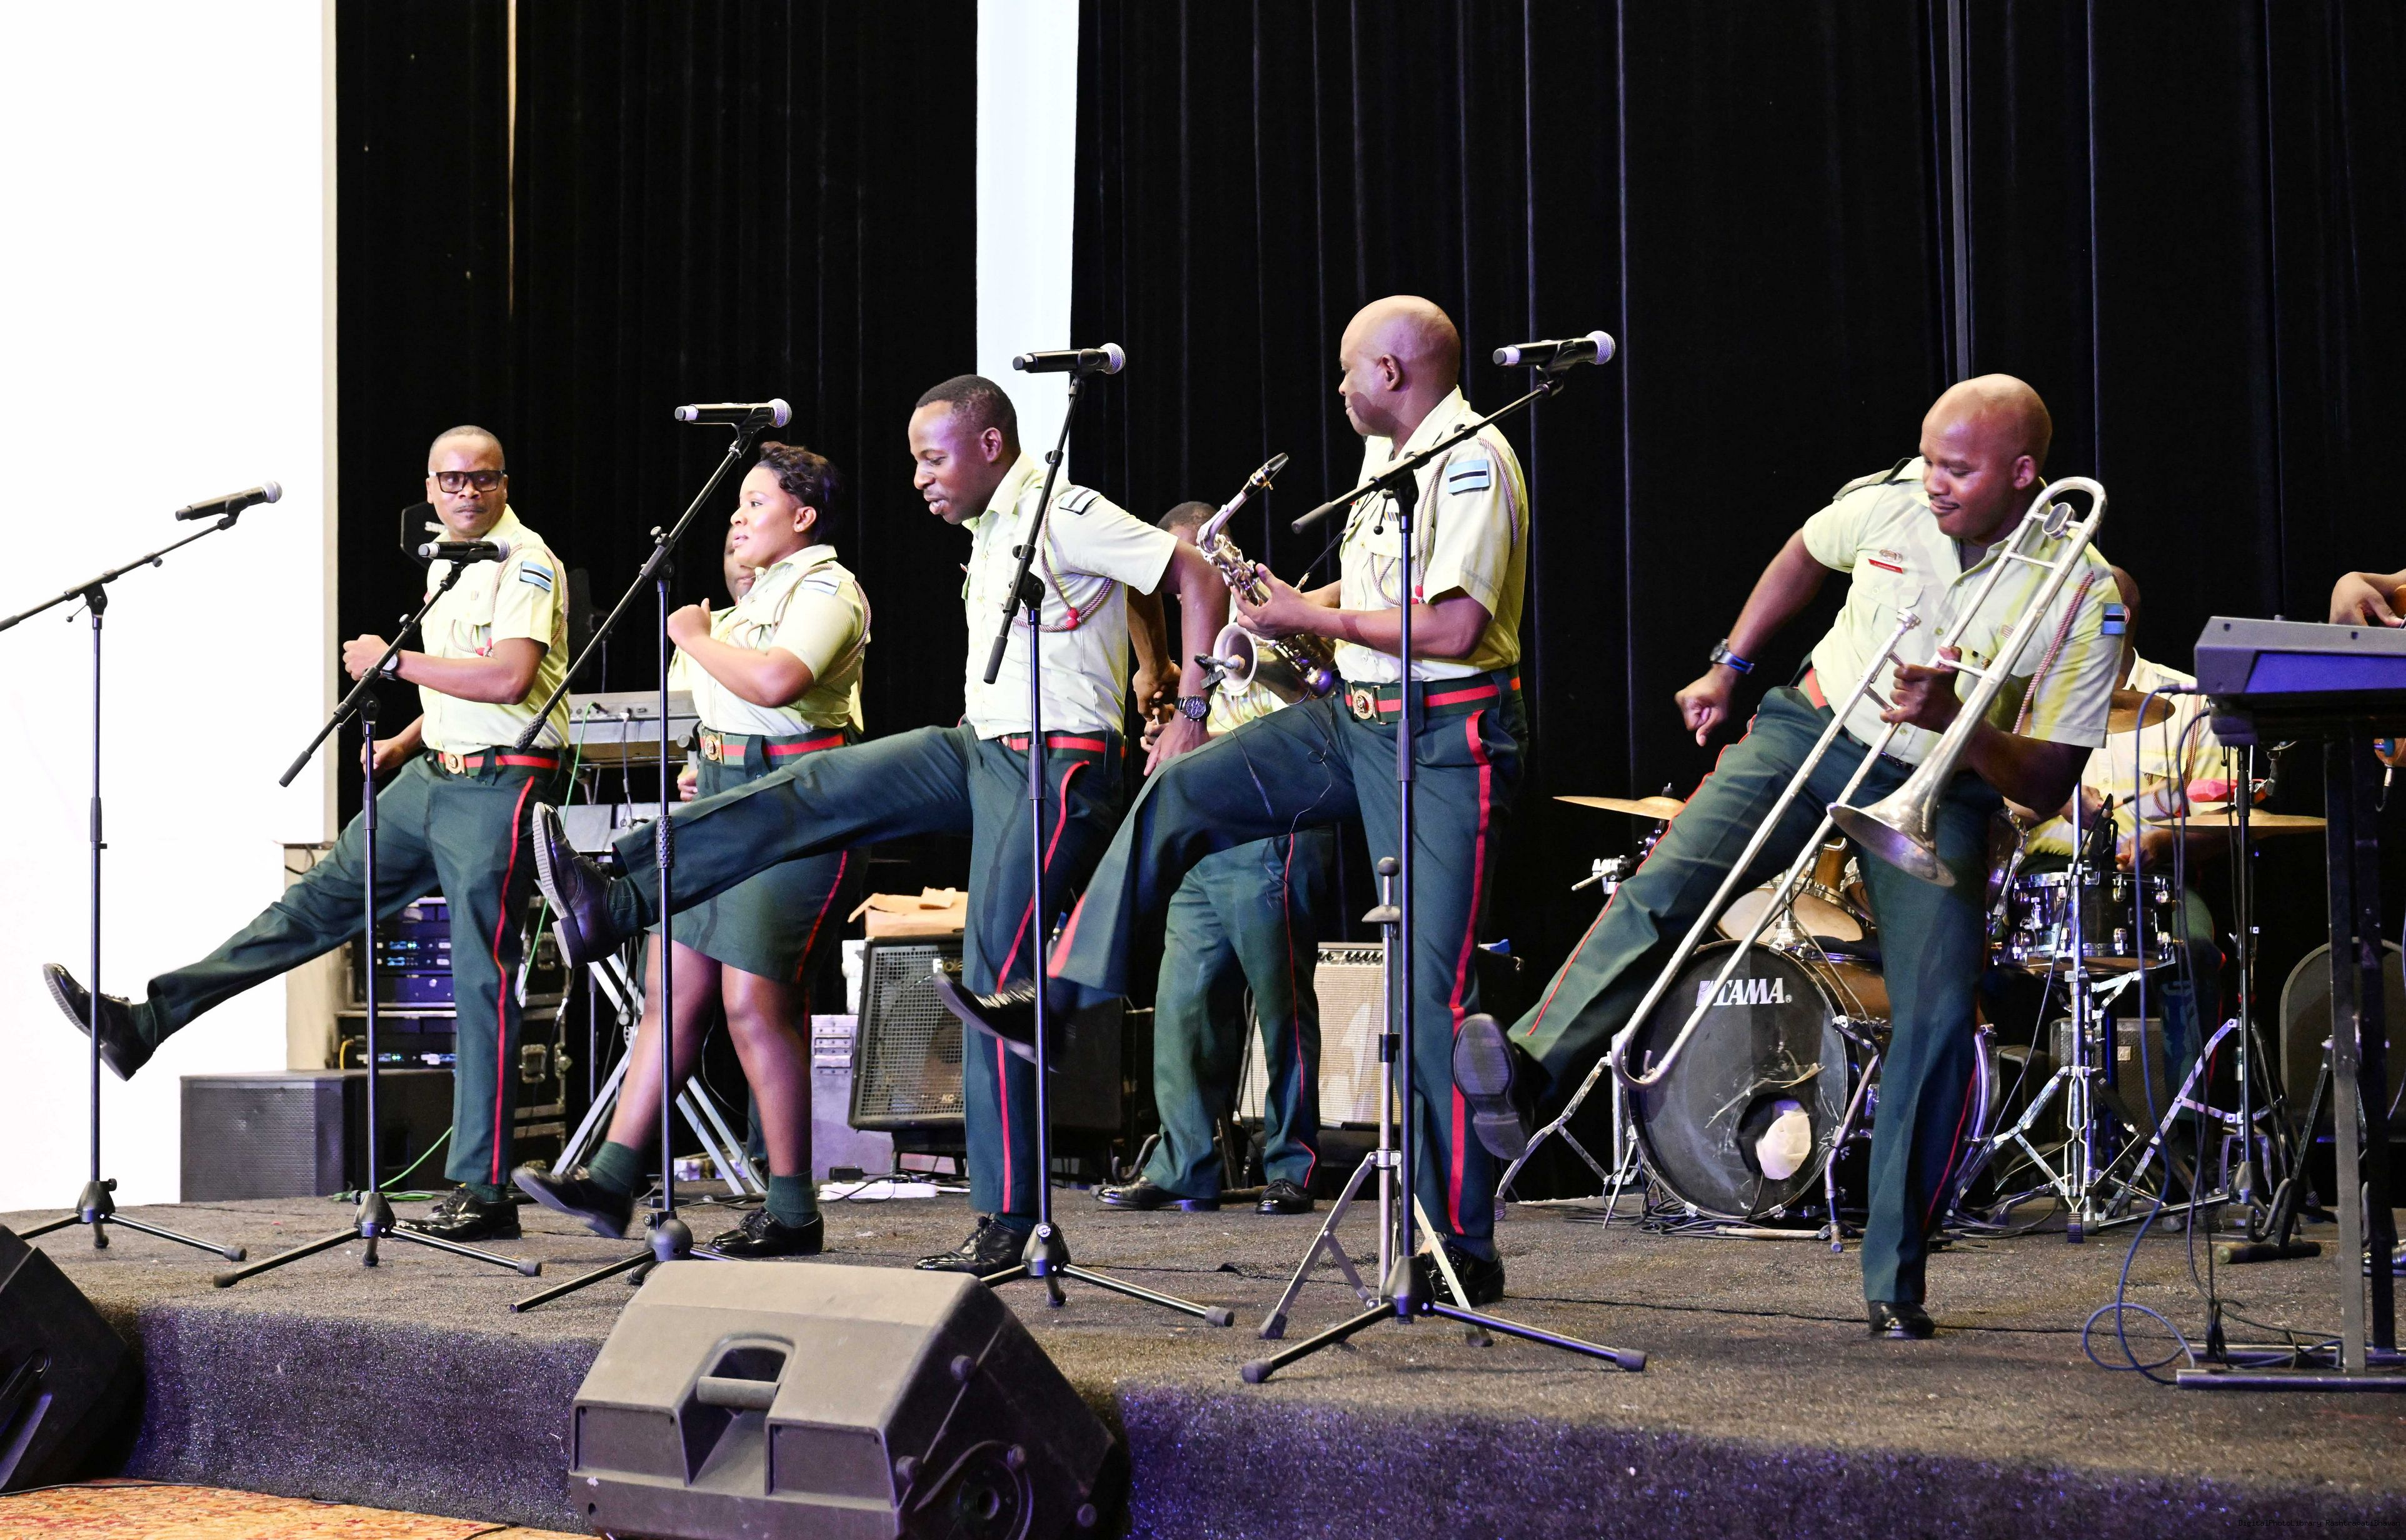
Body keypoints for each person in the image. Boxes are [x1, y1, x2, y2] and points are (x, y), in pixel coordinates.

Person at [1448, 376, 2118, 1339]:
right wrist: (1730, 664)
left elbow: (2048, 781)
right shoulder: (1891, 502)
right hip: (1815, 723)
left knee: (1937, 1015)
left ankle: (1895, 1272)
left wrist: (1959, 728)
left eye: (1958, 469)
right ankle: (1527, 1069)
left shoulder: (2082, 592)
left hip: (1943, 779)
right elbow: (1806, 549)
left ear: (2022, 474)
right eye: (1929, 458)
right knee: (1664, 886)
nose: (1934, 481)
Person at [527, 375, 1231, 1275]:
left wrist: (1189, 705)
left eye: (932, 459)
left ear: (989, 445)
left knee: (996, 988)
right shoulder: (995, 527)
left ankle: (1011, 1220)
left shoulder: (1062, 507)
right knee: (820, 787)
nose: (919, 478)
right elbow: (1138, 588)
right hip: (984, 745)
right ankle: (617, 895)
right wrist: (1150, 662)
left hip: (1058, 763)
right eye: (915, 461)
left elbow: (1193, 572)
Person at [945, 296, 1531, 1303]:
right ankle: (1062, 1000)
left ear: (1391, 374)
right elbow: (1372, 612)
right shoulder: (1387, 460)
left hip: (1445, 736)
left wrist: (1314, 615)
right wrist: (1285, 620)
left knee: (1429, 995)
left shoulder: (1471, 459)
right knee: (1179, 789)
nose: (1339, 388)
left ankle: (1458, 1246)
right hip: (1356, 719)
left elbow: (1454, 626)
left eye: (1348, 370)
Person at [43, 426, 571, 1243]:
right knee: (309, 907)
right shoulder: (446, 559)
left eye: (483, 478)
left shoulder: (525, 561)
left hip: (502, 779)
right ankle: (147, 1022)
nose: (467, 492)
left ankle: (485, 1188)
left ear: (504, 484)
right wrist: (407, 741)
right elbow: (461, 682)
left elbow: (509, 676)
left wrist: (392, 665)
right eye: (452, 480)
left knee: (478, 979)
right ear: (430, 488)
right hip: (438, 774)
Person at [516, 442, 866, 1258]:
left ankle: (793, 1209)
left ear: (803, 516)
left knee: (754, 1003)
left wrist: (693, 636)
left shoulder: (827, 588)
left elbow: (778, 683)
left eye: (756, 504)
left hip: (796, 809)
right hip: (720, 802)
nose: (738, 519)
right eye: (736, 507)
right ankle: (612, 1177)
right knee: (668, 990)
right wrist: (698, 761)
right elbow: (710, 711)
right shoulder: (737, 612)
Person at [1094, 501, 1338, 1217]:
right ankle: (1185, 1162)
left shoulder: (1270, 616)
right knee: (1184, 1004)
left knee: (1281, 1003)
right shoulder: (1183, 655)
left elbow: (1311, 700)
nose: (1180, 587)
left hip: (1270, 828)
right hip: (1203, 843)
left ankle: (1292, 1162)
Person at [1998, 566, 2225, 1092]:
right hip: (2046, 876)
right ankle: (2016, 1115)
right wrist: (2052, 797)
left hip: (2156, 880)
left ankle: (2184, 1118)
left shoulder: (2190, 702)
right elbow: (1996, 799)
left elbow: (2221, 822)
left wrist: (2161, 842)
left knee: (2191, 951)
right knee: (1979, 962)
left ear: (2117, 618)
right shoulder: (2024, 700)